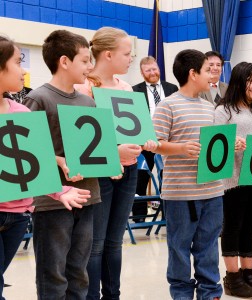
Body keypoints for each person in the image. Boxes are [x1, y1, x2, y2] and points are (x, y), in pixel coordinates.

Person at [0, 35, 93, 300]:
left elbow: (35, 165)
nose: (24, 70)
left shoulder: (21, 112)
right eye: (18, 62)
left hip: (17, 216)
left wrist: (60, 191)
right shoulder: (38, 100)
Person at [75, 27, 156, 300]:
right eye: (126, 53)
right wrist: (114, 152)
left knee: (114, 242)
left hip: (129, 168)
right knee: (95, 244)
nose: (131, 58)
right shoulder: (83, 88)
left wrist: (147, 140)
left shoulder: (125, 88)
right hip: (99, 172)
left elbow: (136, 131)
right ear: (108, 55)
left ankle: (113, 295)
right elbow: (81, 141)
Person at [22, 30, 103, 299]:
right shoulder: (38, 98)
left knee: (78, 272)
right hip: (52, 201)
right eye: (84, 60)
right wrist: (59, 162)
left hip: (87, 196)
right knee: (53, 272)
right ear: (65, 61)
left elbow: (96, 150)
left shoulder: (88, 102)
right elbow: (26, 151)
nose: (90, 67)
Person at [152, 49, 224, 300]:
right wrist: (180, 148)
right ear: (193, 74)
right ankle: (181, 293)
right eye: (207, 69)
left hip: (213, 191)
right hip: (181, 194)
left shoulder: (210, 107)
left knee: (209, 246)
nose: (212, 73)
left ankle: (210, 292)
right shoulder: (167, 105)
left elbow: (214, 145)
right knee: (180, 248)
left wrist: (230, 143)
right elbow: (155, 144)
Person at [214, 61, 252, 298]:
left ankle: (249, 275)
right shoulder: (223, 111)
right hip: (233, 179)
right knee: (233, 226)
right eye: (251, 81)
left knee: (251, 226)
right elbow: (215, 145)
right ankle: (233, 277)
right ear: (239, 81)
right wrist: (232, 143)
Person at [131, 56, 178, 221]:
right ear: (142, 72)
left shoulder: (172, 88)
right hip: (146, 141)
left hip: (168, 141)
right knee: (140, 180)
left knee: (168, 179)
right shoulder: (134, 90)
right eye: (148, 70)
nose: (152, 72)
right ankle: (139, 217)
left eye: (155, 68)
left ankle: (168, 217)